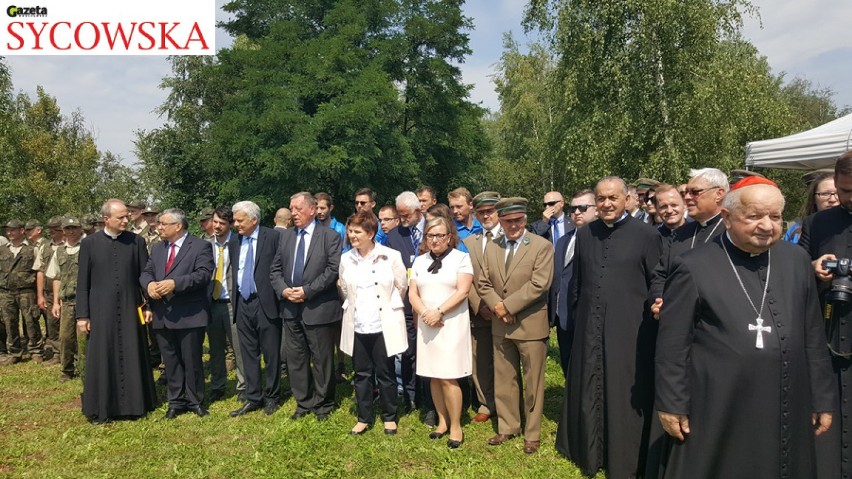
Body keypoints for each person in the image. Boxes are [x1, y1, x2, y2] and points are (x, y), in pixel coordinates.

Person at [655, 178, 835, 478]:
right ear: (727, 217)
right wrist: (671, 402)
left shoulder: (796, 260)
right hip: (719, 402)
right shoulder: (693, 266)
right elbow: (673, 343)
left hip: (788, 397)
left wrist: (822, 396)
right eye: (754, 216)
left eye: (775, 217)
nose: (767, 226)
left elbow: (812, 335)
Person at [555, 177, 663, 476]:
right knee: (589, 384)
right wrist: (577, 319)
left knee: (621, 389)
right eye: (601, 199)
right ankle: (589, 451)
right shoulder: (587, 233)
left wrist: (657, 300)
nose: (606, 204)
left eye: (613, 198)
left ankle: (623, 457)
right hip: (590, 324)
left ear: (627, 198)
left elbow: (657, 278)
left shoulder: (646, 235)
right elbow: (577, 281)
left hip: (628, 328)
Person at [476, 197, 553, 454]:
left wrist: (506, 306)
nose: (513, 225)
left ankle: (532, 433)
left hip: (530, 324)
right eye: (508, 221)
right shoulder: (493, 246)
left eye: (518, 220)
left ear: (524, 219)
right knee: (504, 378)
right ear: (500, 220)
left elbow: (540, 284)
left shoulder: (541, 246)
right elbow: (483, 282)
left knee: (533, 382)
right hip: (502, 326)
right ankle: (508, 426)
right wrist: (498, 307)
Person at [76, 199, 156, 424]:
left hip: (131, 309)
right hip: (101, 310)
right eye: (120, 217)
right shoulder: (89, 244)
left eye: (127, 216)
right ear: (106, 219)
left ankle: (134, 406)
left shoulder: (136, 242)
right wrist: (83, 315)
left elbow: (145, 277)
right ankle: (101, 407)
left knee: (132, 352)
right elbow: (83, 282)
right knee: (102, 357)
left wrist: (148, 305)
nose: (126, 219)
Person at [800, 151, 852, 478]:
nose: (847, 198)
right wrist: (811, 268)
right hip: (829, 336)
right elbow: (792, 270)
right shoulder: (818, 222)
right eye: (844, 190)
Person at [270, 192, 342, 421]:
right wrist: (283, 289)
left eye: (298, 209)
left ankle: (323, 402)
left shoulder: (329, 236)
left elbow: (333, 270)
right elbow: (275, 270)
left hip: (318, 307)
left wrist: (307, 291)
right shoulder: (286, 237)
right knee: (296, 357)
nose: (293, 213)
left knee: (322, 358)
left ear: (312, 210)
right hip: (290, 307)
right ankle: (304, 401)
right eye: (291, 209)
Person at [338, 212, 408, 435]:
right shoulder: (346, 258)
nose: (352, 235)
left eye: (357, 232)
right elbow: (344, 288)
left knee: (385, 372)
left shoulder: (391, 256)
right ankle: (364, 417)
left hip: (382, 324)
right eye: (350, 231)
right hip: (357, 324)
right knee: (361, 373)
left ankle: (389, 416)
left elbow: (401, 286)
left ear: (370, 233)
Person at [140, 208, 213, 419]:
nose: (158, 227)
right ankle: (176, 401)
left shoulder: (200, 246)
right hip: (163, 313)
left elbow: (203, 275)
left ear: (178, 226)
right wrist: (150, 284)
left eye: (163, 224)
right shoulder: (157, 248)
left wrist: (175, 283)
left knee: (191, 360)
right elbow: (146, 272)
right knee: (170, 360)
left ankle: (195, 400)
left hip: (189, 313)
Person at [409, 216, 473, 448]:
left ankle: (456, 426)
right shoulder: (418, 262)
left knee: (448, 376)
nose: (434, 240)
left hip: (450, 324)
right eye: (430, 235)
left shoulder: (461, 259)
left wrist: (439, 311)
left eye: (439, 235)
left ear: (449, 237)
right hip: (427, 324)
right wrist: (425, 312)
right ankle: (442, 421)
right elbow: (412, 293)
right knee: (433, 376)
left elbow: (463, 291)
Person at [227, 201, 282, 417]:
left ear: (254, 220)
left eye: (240, 220)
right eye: (235, 220)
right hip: (242, 302)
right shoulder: (235, 241)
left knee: (270, 353)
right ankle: (253, 397)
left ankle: (272, 396)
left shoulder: (273, 238)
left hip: (265, 302)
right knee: (248, 353)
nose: (235, 224)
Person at [385, 191, 435, 425]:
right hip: (405, 303)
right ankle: (411, 396)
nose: (401, 218)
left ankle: (430, 400)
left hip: (431, 303)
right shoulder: (394, 236)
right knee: (407, 351)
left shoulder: (433, 230)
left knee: (429, 352)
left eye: (405, 214)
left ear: (418, 211)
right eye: (399, 214)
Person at [650, 168, 729, 316]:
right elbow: (660, 275)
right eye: (686, 192)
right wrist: (658, 299)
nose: (686, 197)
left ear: (719, 194)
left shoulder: (732, 233)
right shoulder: (681, 233)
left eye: (694, 192)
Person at [460, 191, 501, 424]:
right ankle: (486, 402)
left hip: (506, 311)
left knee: (506, 361)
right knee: (480, 359)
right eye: (481, 212)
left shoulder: (512, 236)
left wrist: (500, 306)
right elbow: (467, 277)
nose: (486, 216)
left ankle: (509, 402)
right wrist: (479, 305)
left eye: (490, 211)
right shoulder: (469, 242)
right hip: (480, 312)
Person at [549, 190, 593, 377]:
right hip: (563, 317)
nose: (576, 212)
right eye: (573, 208)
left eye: (582, 208)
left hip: (588, 317)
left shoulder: (602, 241)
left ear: (597, 209)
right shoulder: (563, 241)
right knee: (568, 363)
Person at [207, 206, 245, 403]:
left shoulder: (239, 242)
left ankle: (243, 386)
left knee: (238, 346)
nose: (217, 226)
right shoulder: (205, 244)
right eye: (215, 222)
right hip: (212, 302)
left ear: (230, 224)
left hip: (233, 302)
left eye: (222, 223)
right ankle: (218, 385)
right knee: (215, 348)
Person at [0, 219, 43, 365]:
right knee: (10, 322)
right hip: (6, 292)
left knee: (31, 321)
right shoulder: (3, 249)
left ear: (22, 231)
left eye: (13, 230)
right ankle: (15, 352)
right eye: (7, 230)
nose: (9, 232)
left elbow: (38, 272)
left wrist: (39, 293)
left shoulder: (32, 249)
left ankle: (36, 351)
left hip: (26, 291)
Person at [47, 216, 84, 381]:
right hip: (67, 301)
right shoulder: (59, 251)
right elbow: (56, 278)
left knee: (84, 337)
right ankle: (67, 370)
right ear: (63, 231)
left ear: (80, 229)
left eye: (74, 228)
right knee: (65, 337)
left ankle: (85, 369)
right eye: (68, 229)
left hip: (85, 300)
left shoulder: (87, 248)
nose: (71, 232)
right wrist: (56, 302)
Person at [784, 172, 838, 243]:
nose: (832, 199)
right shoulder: (795, 231)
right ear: (814, 199)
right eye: (825, 194)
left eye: (838, 193)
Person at [447, 187, 482, 253]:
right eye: (452, 207)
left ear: (470, 205)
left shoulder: (482, 226)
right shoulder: (449, 229)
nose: (455, 211)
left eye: (459, 207)